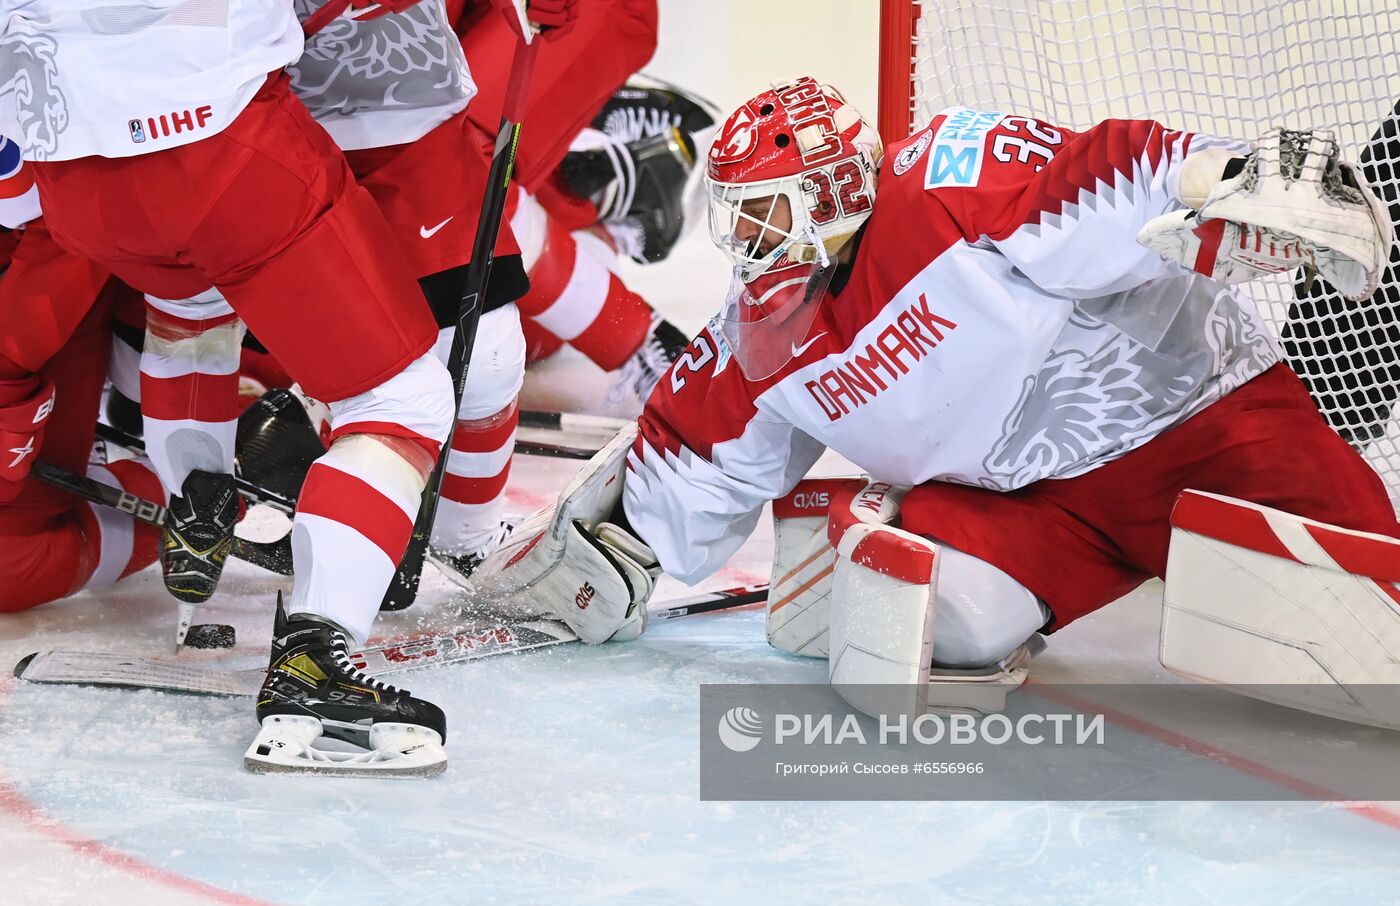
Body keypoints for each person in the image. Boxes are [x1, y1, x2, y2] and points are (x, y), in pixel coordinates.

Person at [467, 77, 1400, 724]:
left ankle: (863, 527)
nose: (749, 238)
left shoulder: (950, 179)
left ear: (834, 189)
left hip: (1199, 427)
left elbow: (1110, 169)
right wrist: (607, 548)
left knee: (1366, 609)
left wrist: (1227, 181)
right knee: (947, 622)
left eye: (770, 209)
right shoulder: (757, 326)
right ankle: (866, 530)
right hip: (1031, 510)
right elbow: (695, 448)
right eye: (740, 211)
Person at [0, 0, 484, 774]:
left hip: (74, 188)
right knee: (401, 398)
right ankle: (316, 664)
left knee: (189, 306)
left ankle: (199, 501)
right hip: (224, 148)